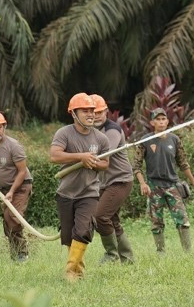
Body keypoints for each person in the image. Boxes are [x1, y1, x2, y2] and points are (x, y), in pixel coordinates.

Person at [49, 93, 111, 280]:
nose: (90, 114)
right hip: (66, 193)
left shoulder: (101, 139)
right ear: (74, 113)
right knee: (69, 236)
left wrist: (93, 163)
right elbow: (55, 156)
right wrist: (81, 157)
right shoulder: (64, 133)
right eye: (85, 111)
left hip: (89, 193)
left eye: (92, 111)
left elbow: (105, 164)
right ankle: (78, 271)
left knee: (83, 231)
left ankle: (70, 272)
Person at [132, 107, 194, 254]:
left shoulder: (174, 140)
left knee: (182, 220)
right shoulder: (145, 141)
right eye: (157, 119)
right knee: (156, 222)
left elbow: (183, 163)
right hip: (154, 186)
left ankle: (188, 252)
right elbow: (136, 166)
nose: (161, 122)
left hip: (172, 185)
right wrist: (142, 183)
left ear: (167, 121)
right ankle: (160, 252)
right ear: (152, 122)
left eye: (163, 119)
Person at [90, 94, 135, 264]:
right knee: (112, 219)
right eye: (92, 112)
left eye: (99, 112)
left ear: (106, 112)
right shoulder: (90, 132)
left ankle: (111, 254)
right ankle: (128, 259)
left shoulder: (113, 130)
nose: (96, 115)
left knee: (100, 216)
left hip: (120, 180)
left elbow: (105, 152)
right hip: (104, 183)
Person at [0, 111, 33, 262]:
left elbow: (22, 171)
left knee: (13, 217)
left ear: (4, 127)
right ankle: (15, 253)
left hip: (21, 186)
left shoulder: (13, 146)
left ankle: (22, 253)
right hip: (4, 189)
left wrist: (12, 191)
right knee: (7, 221)